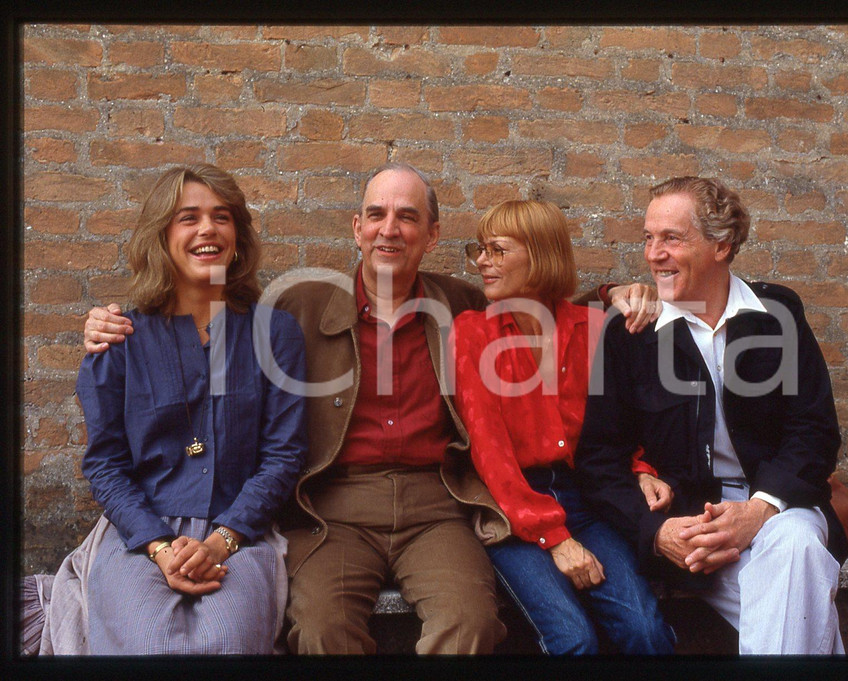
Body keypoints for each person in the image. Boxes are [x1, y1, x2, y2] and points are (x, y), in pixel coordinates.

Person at [83, 162, 660, 654]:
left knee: (472, 622)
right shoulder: (301, 306)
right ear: (357, 228)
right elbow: (214, 313)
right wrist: (112, 321)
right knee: (318, 627)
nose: (391, 229)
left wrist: (616, 294)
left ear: (432, 234)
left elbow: (542, 305)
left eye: (408, 217)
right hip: (334, 504)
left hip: (437, 500)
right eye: (377, 216)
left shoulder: (457, 303)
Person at [574, 176, 847, 655]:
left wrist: (758, 511)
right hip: (693, 527)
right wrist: (656, 533)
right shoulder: (631, 333)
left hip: (781, 506)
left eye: (671, 239)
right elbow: (599, 459)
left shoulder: (776, 315)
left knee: (798, 545)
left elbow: (815, 432)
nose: (653, 254)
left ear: (722, 245)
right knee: (798, 597)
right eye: (648, 238)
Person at [45, 163, 307, 654]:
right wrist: (160, 547)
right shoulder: (120, 338)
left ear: (238, 235)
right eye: (189, 217)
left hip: (240, 531)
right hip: (139, 532)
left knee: (228, 642)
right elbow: (104, 464)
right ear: (161, 235)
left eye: (222, 216)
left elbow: (283, 456)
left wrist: (219, 542)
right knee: (148, 642)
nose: (208, 229)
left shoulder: (275, 334)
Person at [451, 200, 676, 654]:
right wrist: (555, 539)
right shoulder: (471, 333)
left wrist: (641, 467)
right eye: (480, 249)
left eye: (497, 250)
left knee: (645, 632)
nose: (481, 262)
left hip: (588, 499)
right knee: (573, 640)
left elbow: (623, 422)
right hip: (512, 509)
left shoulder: (594, 329)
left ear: (538, 256)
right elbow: (490, 456)